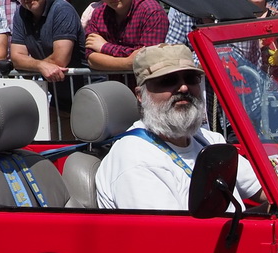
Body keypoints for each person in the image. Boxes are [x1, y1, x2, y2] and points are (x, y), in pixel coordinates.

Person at [95, 44, 262, 211]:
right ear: (140, 95)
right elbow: (169, 235)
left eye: (190, 78)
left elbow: (261, 191)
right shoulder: (135, 159)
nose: (183, 88)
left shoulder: (208, 139)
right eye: (168, 81)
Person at [83, 0, 171, 74]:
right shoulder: (98, 14)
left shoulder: (152, 12)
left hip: (149, 88)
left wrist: (105, 47)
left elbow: (148, 57)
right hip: (114, 88)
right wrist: (128, 63)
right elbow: (91, 59)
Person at [10, 0, 81, 82]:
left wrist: (30, 65)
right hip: (54, 91)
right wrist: (40, 66)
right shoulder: (20, 13)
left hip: (83, 88)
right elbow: (16, 58)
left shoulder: (62, 10)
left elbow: (60, 60)